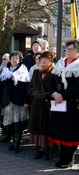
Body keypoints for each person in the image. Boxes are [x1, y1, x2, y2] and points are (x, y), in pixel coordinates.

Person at [48, 40, 79, 168]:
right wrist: (55, 94)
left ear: (77, 51)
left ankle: (70, 157)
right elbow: (51, 82)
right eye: (67, 49)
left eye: (71, 49)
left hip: (72, 104)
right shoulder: (60, 64)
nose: (68, 51)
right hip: (59, 103)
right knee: (59, 129)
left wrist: (63, 96)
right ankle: (62, 156)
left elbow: (78, 86)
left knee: (70, 131)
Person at [0, 51, 30, 153]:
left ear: (20, 60)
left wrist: (26, 101)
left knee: (18, 124)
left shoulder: (24, 71)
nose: (14, 60)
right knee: (9, 124)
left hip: (19, 102)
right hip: (7, 102)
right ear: (10, 59)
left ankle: (17, 144)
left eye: (17, 58)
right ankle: (13, 141)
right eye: (12, 58)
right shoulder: (5, 70)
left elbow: (27, 89)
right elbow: (0, 88)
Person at [27, 51, 55, 160]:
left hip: (48, 104)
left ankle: (49, 150)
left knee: (47, 127)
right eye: (41, 59)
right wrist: (34, 93)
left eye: (45, 59)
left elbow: (57, 88)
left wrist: (46, 94)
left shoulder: (54, 72)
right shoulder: (36, 72)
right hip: (36, 103)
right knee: (37, 127)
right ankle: (39, 149)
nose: (42, 61)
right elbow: (29, 87)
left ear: (51, 61)